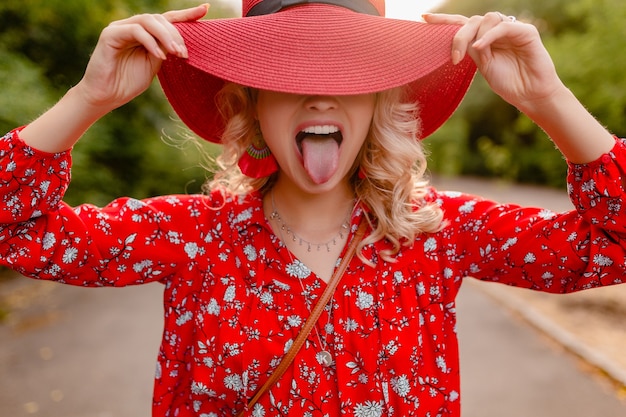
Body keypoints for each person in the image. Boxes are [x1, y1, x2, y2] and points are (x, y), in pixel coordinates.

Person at [0, 0, 624, 416]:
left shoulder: (440, 234)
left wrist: (548, 99)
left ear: (382, 101)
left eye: (349, 71)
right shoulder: (193, 237)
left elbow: (615, 244)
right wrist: (89, 97)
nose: (321, 93)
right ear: (248, 103)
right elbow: (14, 229)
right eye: (287, 71)